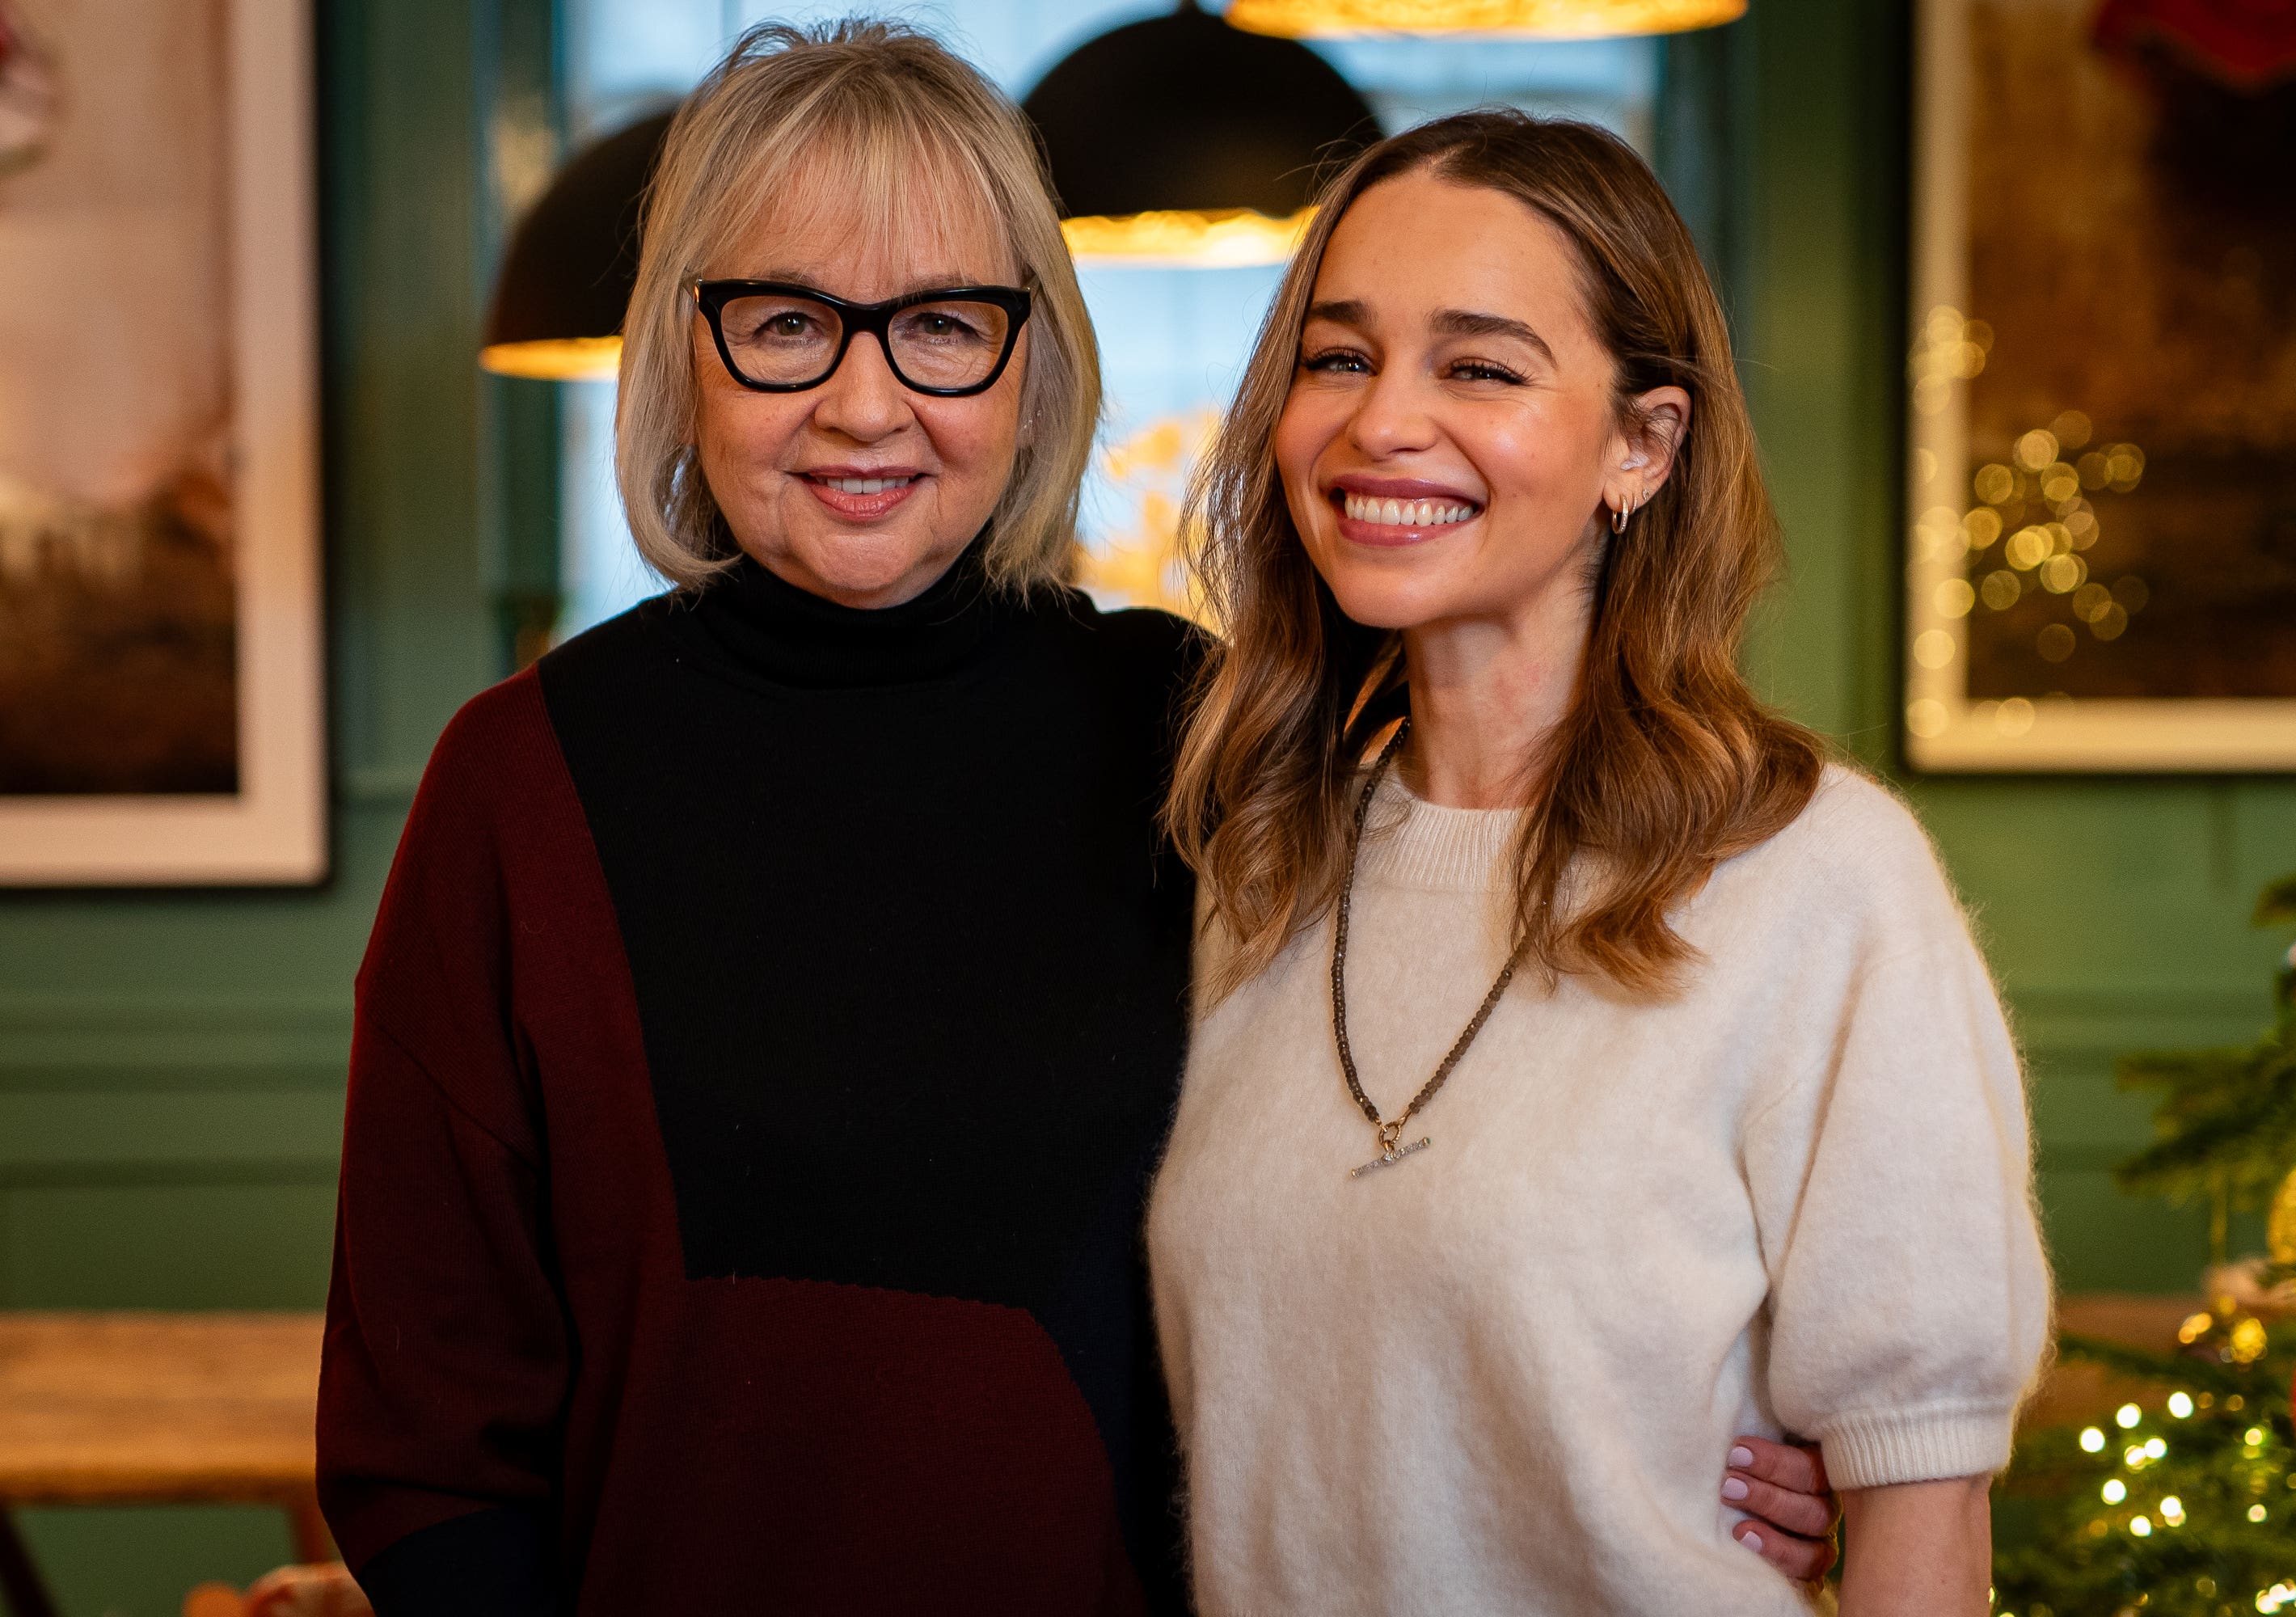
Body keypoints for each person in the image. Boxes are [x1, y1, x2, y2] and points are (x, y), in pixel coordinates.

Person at [316, 23, 1838, 1614]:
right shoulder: (524, 778)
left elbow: (1463, 1208)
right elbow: (427, 1449)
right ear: (681, 349)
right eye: (783, 322)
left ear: (1034, 356)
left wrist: (1690, 1422)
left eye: (941, 326)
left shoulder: (1206, 736)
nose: (862, 401)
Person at [1150, 109, 2050, 1616]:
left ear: (1643, 442)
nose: (1382, 423)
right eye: (1340, 356)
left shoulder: (1815, 881)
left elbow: (1919, 1521)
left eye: (1481, 366)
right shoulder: (1253, 865)